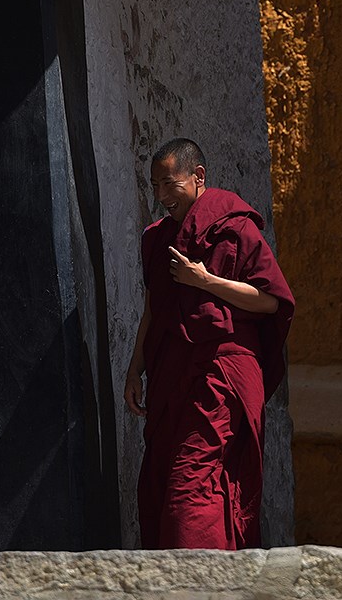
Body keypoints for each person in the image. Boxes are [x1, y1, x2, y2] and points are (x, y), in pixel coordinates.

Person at [124, 138, 295, 550]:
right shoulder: (157, 239)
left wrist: (206, 281)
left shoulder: (236, 227)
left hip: (221, 372)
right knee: (163, 486)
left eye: (170, 184)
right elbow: (154, 311)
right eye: (155, 187)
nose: (162, 197)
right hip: (173, 375)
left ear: (198, 177)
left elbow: (271, 300)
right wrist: (134, 370)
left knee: (191, 487)